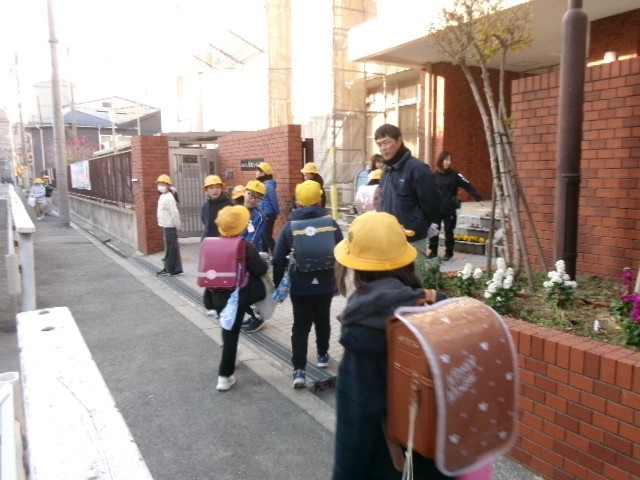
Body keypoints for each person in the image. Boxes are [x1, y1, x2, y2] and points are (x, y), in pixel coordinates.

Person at [331, 211, 452, 480]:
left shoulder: (362, 330)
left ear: (354, 266)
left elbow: (355, 428)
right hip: (445, 461)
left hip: (393, 467)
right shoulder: (437, 305)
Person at [272, 180, 343, 388]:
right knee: (323, 319)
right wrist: (339, 280)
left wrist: (279, 283)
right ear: (320, 200)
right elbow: (342, 252)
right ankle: (322, 355)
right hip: (326, 284)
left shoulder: (289, 227)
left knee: (300, 326)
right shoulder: (331, 224)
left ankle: (299, 371)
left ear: (298, 202)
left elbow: (278, 258)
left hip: (300, 285)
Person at [213, 205, 268, 391]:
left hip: (216, 294)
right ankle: (225, 376)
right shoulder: (245, 246)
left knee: (227, 329)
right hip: (237, 296)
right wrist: (265, 263)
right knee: (231, 335)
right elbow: (259, 270)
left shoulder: (213, 244)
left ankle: (232, 355)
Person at [375, 123, 441, 260]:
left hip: (413, 239)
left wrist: (422, 225)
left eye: (387, 142)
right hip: (388, 237)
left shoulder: (417, 168)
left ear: (399, 140)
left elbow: (432, 203)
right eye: (379, 144)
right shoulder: (386, 171)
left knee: (415, 272)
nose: (383, 148)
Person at [429, 151, 484, 261]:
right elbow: (427, 191)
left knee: (449, 232)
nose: (448, 162)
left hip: (449, 209)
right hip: (436, 209)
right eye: (446, 160)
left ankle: (448, 253)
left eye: (449, 160)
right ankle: (433, 251)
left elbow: (467, 185)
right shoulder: (433, 176)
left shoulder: (455, 175)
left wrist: (478, 197)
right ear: (440, 161)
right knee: (434, 231)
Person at [240, 180, 269, 333]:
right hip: (235, 254)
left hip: (248, 257)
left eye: (257, 197)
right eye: (250, 194)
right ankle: (253, 315)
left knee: (247, 291)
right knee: (239, 290)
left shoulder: (260, 216)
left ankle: (259, 317)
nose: (252, 199)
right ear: (244, 192)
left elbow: (252, 240)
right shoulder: (237, 209)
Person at [156, 174, 183, 276]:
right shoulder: (163, 196)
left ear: (168, 185)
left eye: (163, 184)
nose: (161, 186)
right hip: (165, 225)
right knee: (171, 248)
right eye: (159, 184)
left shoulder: (169, 197)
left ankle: (170, 269)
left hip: (170, 226)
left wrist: (178, 226)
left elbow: (174, 213)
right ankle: (173, 268)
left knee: (171, 249)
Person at [255, 162, 280, 254]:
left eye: (258, 171)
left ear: (264, 173)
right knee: (262, 237)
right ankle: (264, 256)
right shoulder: (262, 184)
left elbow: (274, 200)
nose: (256, 173)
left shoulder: (268, 185)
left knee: (267, 237)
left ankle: (277, 254)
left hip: (269, 214)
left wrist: (276, 212)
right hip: (263, 214)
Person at [200, 175, 234, 239]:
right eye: (211, 188)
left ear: (221, 188)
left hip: (224, 241)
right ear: (206, 190)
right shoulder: (205, 207)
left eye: (217, 187)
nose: (215, 190)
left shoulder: (229, 205)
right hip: (208, 241)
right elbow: (205, 223)